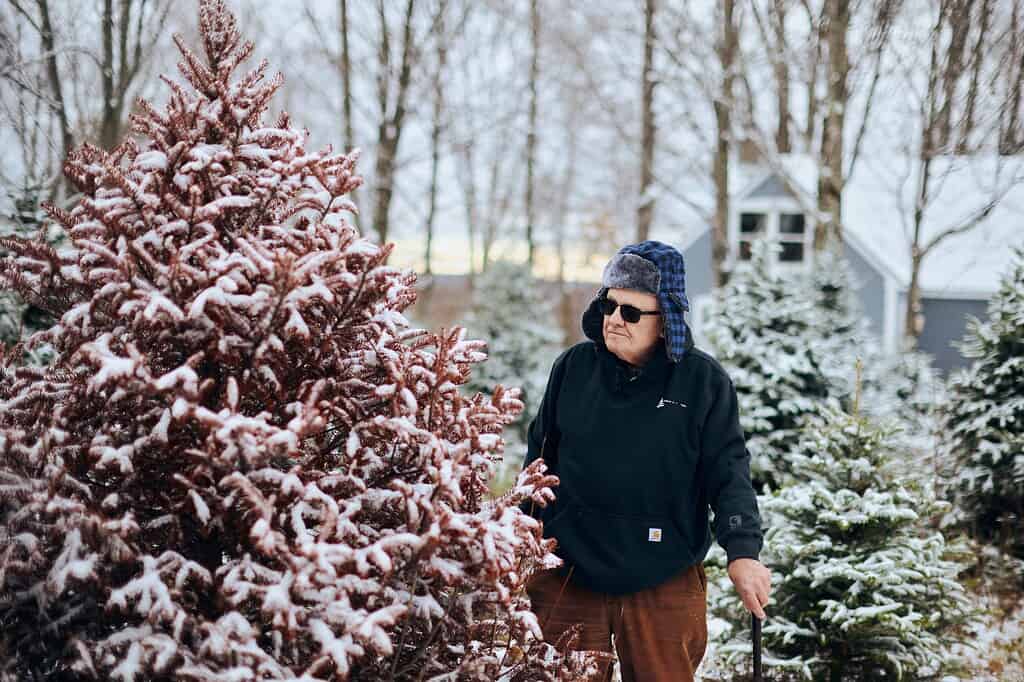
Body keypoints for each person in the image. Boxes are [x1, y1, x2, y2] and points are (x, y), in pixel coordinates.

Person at [523, 240, 771, 682]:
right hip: (570, 568)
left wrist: (743, 552)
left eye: (632, 312)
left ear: (666, 322)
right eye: (610, 305)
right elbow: (539, 460)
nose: (615, 319)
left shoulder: (702, 383)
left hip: (664, 571)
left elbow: (728, 473)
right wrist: (518, 537)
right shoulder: (573, 368)